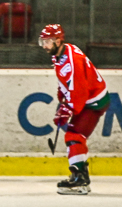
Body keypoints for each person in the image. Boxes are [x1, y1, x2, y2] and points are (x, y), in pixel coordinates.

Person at [38, 24, 110, 195]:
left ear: (58, 40)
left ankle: (80, 180)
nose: (45, 45)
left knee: (75, 135)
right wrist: (63, 100)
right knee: (74, 134)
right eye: (42, 42)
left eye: (47, 41)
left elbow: (79, 89)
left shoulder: (72, 60)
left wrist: (68, 108)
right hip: (88, 100)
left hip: (93, 101)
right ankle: (80, 176)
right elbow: (67, 82)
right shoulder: (61, 54)